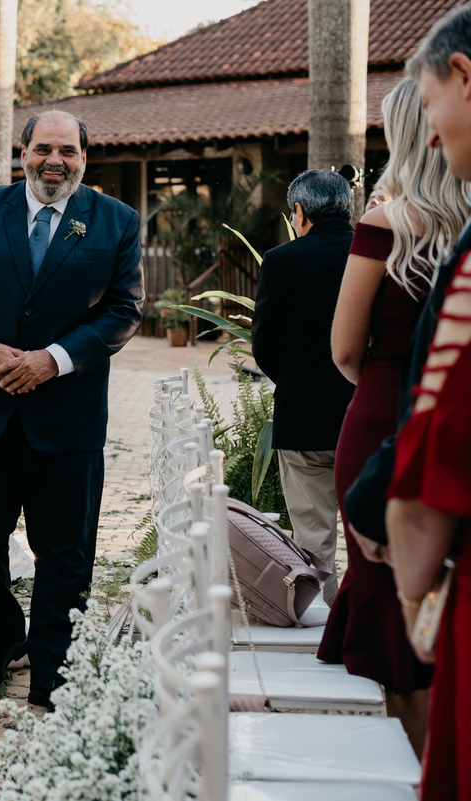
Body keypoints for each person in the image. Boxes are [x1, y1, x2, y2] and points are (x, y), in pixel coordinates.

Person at [0, 110, 144, 711]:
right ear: (23, 152)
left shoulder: (117, 220)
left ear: (84, 157)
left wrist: (52, 360)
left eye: (68, 151)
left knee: (65, 553)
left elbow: (124, 309)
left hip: (67, 416)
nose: (55, 161)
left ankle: (53, 671)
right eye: (44, 148)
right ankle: (3, 638)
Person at [320, 76, 468, 756]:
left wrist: (389, 386)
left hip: (383, 416)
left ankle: (417, 764)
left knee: (391, 602)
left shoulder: (385, 226)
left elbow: (344, 349)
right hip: (456, 422)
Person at [251, 170, 356, 604]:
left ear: (299, 212)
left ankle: (324, 621)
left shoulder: (281, 260)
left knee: (313, 537)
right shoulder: (377, 255)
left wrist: (296, 379)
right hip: (366, 412)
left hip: (303, 415)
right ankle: (367, 618)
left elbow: (264, 345)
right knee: (369, 530)